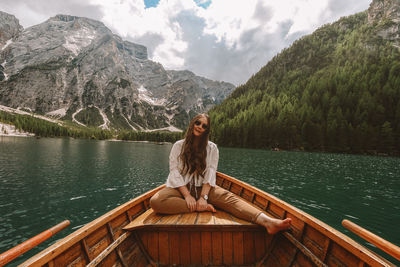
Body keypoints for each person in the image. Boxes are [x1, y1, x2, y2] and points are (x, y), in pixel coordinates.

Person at [150, 113, 291, 234]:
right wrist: (187, 196)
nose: (200, 127)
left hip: (203, 188)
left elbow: (211, 172)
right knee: (156, 201)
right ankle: (200, 209)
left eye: (204, 126)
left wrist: (204, 197)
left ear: (207, 130)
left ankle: (267, 222)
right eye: (198, 123)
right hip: (180, 188)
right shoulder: (178, 146)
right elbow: (174, 171)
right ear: (193, 123)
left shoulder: (212, 148)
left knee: (229, 198)